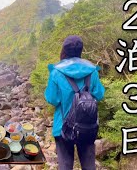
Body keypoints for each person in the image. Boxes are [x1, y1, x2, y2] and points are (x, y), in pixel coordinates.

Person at [44, 35, 105, 170]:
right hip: (87, 126)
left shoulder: (56, 72)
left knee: (65, 165)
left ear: (64, 50)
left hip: (63, 127)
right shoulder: (92, 71)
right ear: (81, 50)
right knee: (89, 165)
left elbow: (52, 99)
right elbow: (99, 95)